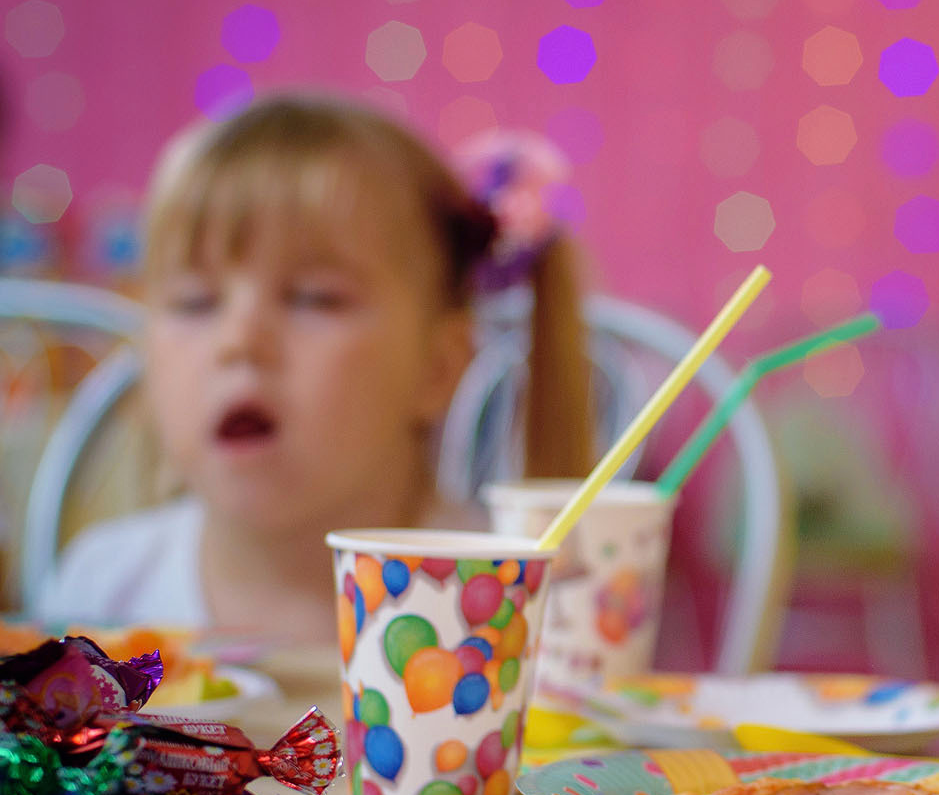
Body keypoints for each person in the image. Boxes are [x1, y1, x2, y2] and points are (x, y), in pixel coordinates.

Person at [37, 95, 591, 637]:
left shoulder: (501, 602)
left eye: (314, 298)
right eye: (195, 302)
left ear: (438, 368)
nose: (238, 341)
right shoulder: (100, 597)